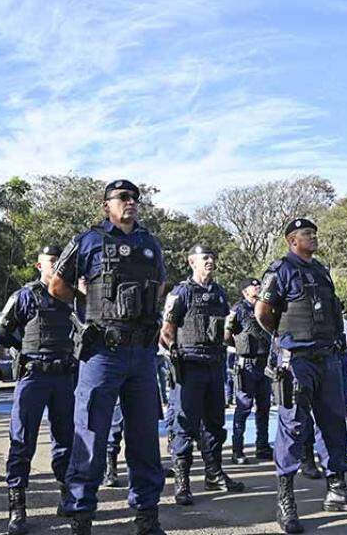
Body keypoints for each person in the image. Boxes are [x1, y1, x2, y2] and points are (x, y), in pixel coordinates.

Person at [49, 179, 166, 535]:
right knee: (91, 433)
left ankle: (147, 515)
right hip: (102, 352)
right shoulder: (88, 241)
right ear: (107, 206)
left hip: (142, 354)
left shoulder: (149, 243)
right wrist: (87, 305)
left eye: (135, 198)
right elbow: (57, 285)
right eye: (123, 197)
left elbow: (160, 285)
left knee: (145, 437)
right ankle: (81, 515)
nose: (131, 202)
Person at [256, 218, 347, 535]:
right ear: (293, 239)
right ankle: (285, 501)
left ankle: (337, 489)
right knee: (293, 426)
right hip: (297, 360)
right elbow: (263, 314)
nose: (314, 237)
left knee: (333, 423)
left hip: (327, 358)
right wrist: (285, 339)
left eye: (314, 233)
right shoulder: (280, 270)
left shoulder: (320, 269)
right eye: (308, 234)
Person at [0, 245, 76, 535]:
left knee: (66, 439)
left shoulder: (72, 298)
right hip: (34, 377)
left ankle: (67, 497)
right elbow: (0, 333)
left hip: (64, 378)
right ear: (39, 266)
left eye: (59, 261)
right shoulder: (25, 296)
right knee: (22, 441)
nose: (56, 266)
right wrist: (25, 352)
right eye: (51, 261)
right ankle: (17, 509)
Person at [160, 245, 244, 506]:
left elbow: (224, 332)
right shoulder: (182, 292)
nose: (210, 261)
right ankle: (182, 481)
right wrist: (174, 356)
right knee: (185, 424)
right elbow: (166, 330)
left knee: (215, 424)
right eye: (204, 258)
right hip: (189, 366)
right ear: (191, 262)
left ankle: (214, 473)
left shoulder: (218, 293)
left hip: (214, 365)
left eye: (212, 257)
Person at [226, 277, 273, 465]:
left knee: (264, 407)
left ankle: (262, 446)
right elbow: (227, 335)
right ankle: (237, 449)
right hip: (247, 364)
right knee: (243, 407)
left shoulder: (266, 306)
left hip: (265, 362)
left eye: (258, 285)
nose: (257, 287)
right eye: (253, 286)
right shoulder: (238, 310)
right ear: (245, 291)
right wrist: (240, 347)